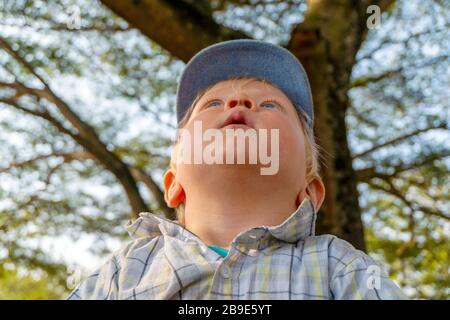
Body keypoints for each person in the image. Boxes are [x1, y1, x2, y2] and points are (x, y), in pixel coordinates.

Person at [67, 39, 406, 300]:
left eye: (269, 105)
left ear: (309, 192)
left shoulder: (340, 266)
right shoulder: (124, 269)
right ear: (173, 184)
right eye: (212, 103)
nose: (238, 102)